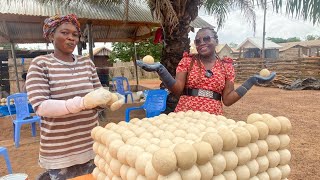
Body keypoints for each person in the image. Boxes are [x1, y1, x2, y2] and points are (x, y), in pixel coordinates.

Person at [26, 14, 124, 179]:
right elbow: (41, 107)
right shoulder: (41, 64)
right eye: (65, 33)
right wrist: (82, 102)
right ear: (51, 35)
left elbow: (98, 96)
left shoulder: (87, 63)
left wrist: (109, 100)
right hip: (60, 152)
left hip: (90, 146)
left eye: (75, 34)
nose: (71, 38)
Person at [137, 27, 276, 115]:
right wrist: (161, 70)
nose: (201, 42)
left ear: (216, 40)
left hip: (212, 118)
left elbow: (227, 100)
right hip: (186, 114)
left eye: (206, 38)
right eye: (197, 41)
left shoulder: (226, 66)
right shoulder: (187, 61)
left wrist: (251, 81)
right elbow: (178, 89)